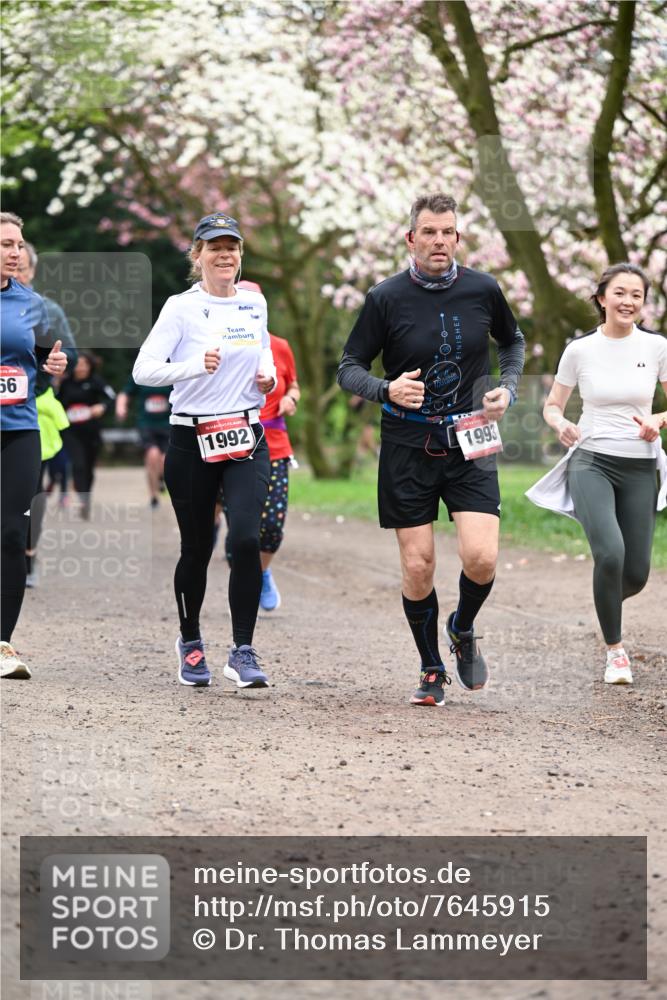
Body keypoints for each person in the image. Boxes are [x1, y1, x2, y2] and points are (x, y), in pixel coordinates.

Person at [337, 193, 525, 707]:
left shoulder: (484, 289)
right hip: (407, 442)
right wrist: (386, 388)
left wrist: (507, 387)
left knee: (482, 558)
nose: (439, 241)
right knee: (418, 566)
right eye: (429, 232)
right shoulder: (385, 297)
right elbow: (348, 367)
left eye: (448, 232)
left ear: (457, 238)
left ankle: (462, 627)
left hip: (471, 438)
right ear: (411, 239)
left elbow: (513, 342)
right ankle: (430, 666)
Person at [133, 213, 276, 689]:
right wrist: (194, 366)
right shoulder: (180, 308)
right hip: (190, 438)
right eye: (214, 247)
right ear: (197, 255)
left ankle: (243, 650)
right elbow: (144, 370)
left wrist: (268, 377)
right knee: (197, 547)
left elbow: (264, 357)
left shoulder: (254, 304)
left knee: (245, 541)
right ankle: (191, 642)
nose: (224, 255)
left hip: (244, 435)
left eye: (232, 247)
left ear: (240, 256)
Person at [527, 263, 667, 685]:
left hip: (641, 465)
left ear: (643, 303)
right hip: (591, 461)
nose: (628, 302)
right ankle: (615, 652)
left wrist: (657, 420)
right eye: (620, 293)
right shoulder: (580, 350)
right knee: (610, 552)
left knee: (636, 573)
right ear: (602, 298)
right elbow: (552, 404)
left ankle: (604, 601)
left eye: (636, 295)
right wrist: (559, 423)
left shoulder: (657, 347)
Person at [0, 212, 67, 678]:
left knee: (11, 535)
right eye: (6, 243)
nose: (14, 253)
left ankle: (2, 644)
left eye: (18, 245)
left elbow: (46, 354)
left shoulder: (31, 303)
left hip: (19, 429)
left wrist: (54, 362)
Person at [223, 279, 300, 612]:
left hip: (276, 443)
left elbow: (293, 384)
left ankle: (262, 572)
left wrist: (292, 399)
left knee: (271, 527)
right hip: (230, 444)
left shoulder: (279, 346)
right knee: (240, 532)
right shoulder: (219, 343)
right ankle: (244, 577)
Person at [15, 241, 78, 586]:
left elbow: (72, 352)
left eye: (23, 267)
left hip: (32, 406)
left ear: (33, 270)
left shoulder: (47, 309)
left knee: (30, 486)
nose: (18, 272)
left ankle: (28, 553)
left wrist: (59, 359)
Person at [57, 351, 116, 519]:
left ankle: (86, 498)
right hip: (71, 432)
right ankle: (82, 498)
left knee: (89, 468)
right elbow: (56, 402)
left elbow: (112, 398)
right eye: (78, 364)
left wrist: (102, 407)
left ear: (90, 366)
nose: (81, 368)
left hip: (91, 432)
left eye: (85, 364)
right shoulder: (66, 383)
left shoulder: (96, 382)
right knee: (79, 464)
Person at [115, 375, 172, 509]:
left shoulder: (172, 369)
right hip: (146, 424)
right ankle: (154, 497)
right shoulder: (142, 371)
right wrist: (121, 407)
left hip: (168, 424)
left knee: (165, 460)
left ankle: (161, 479)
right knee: (152, 456)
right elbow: (124, 393)